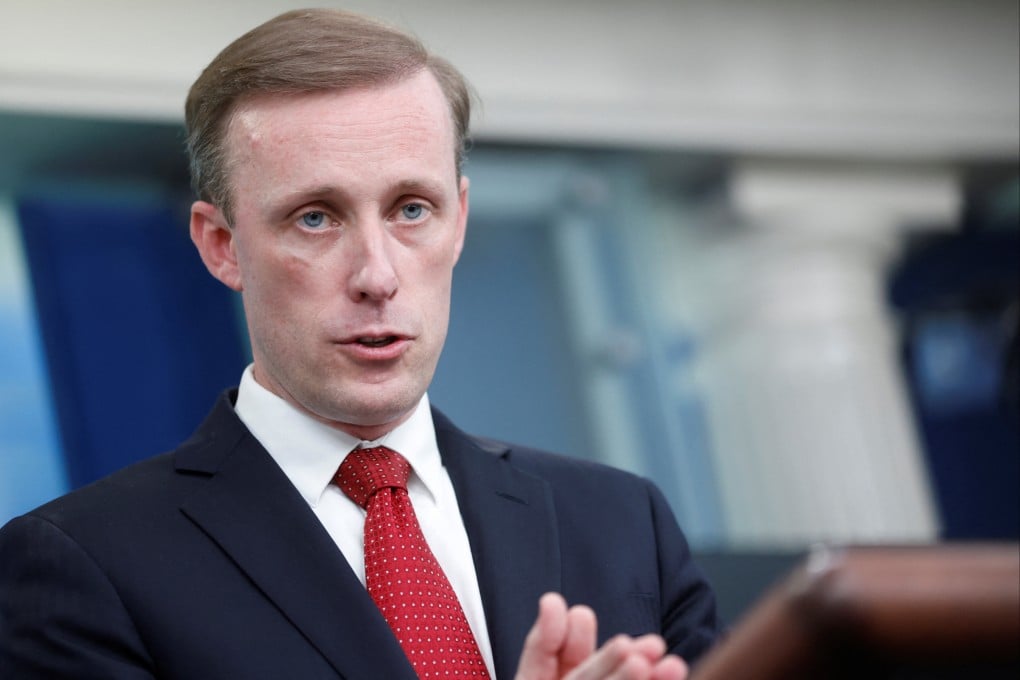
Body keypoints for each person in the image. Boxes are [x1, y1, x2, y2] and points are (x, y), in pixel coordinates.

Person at [0, 8, 719, 679]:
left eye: (412, 209)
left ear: (459, 219)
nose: (377, 276)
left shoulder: (624, 524)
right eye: (315, 218)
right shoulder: (83, 565)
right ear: (222, 246)